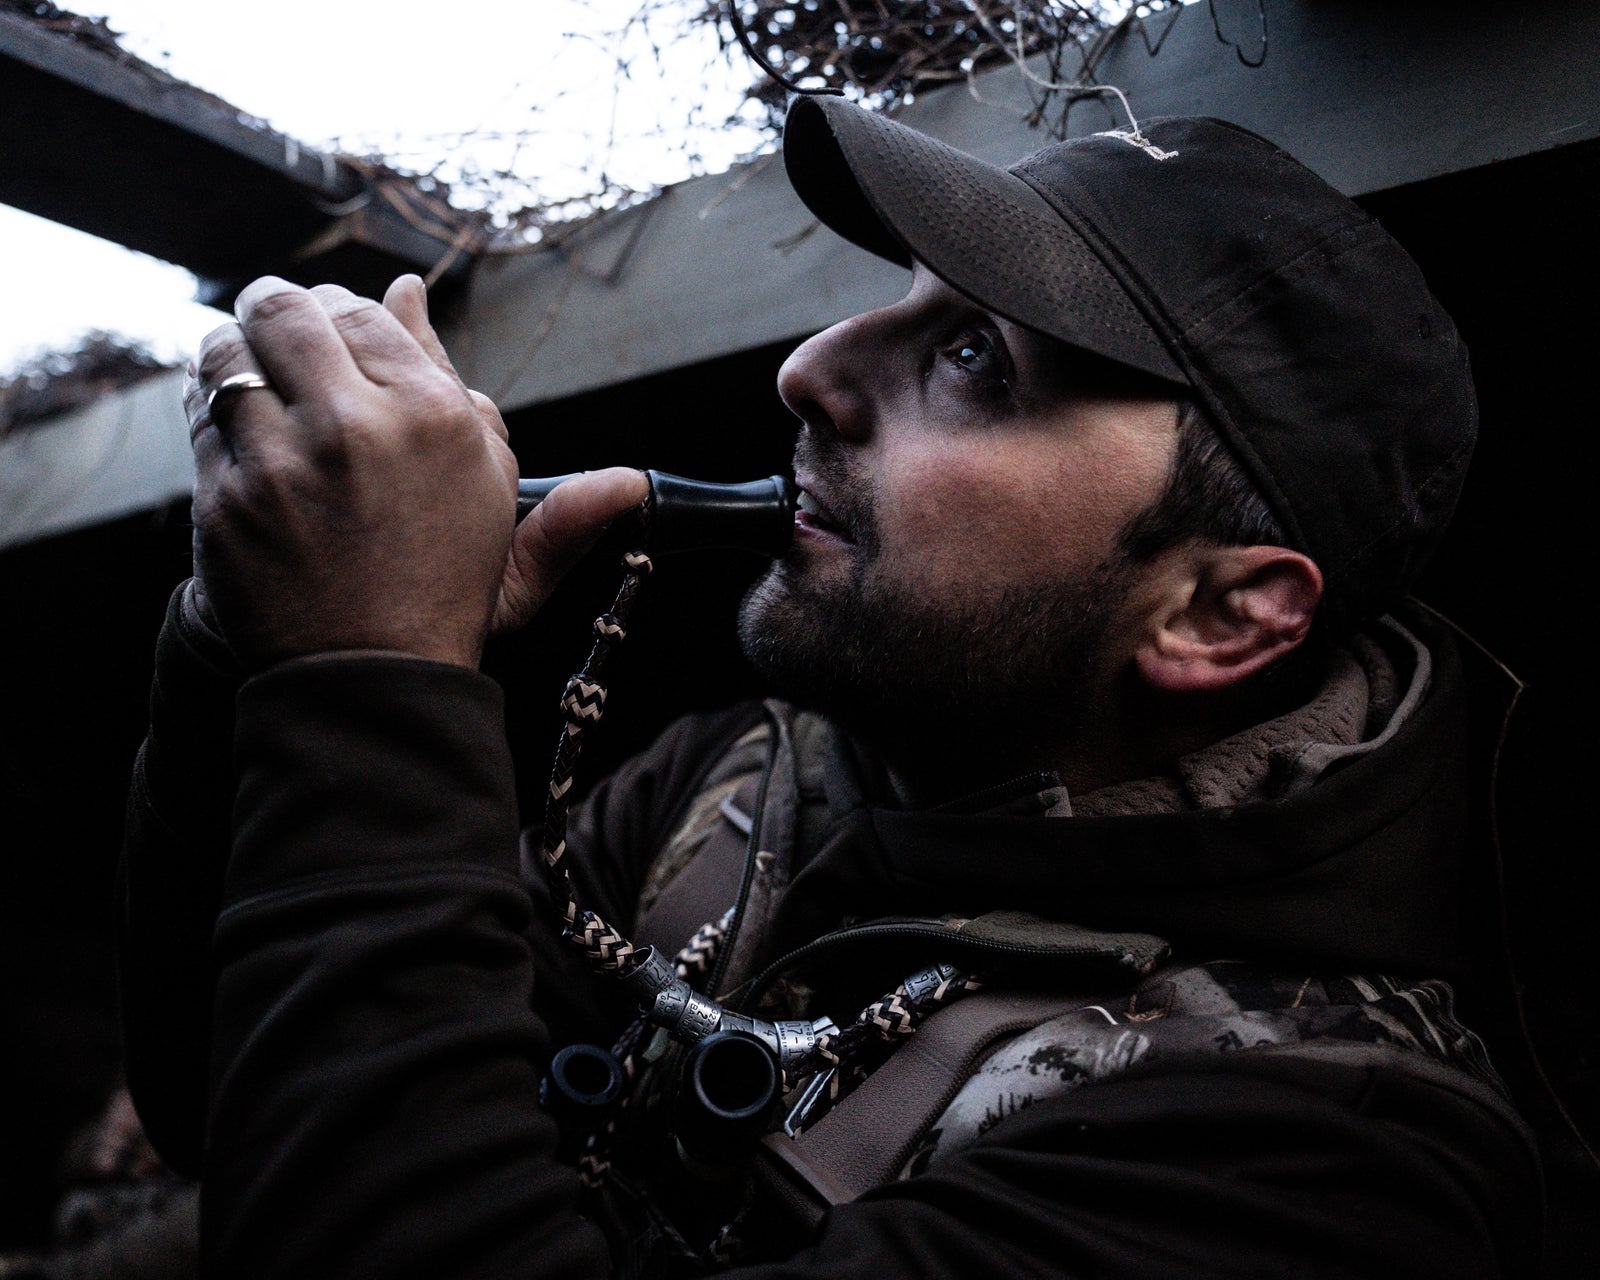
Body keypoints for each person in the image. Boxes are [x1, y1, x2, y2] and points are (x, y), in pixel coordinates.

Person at [117, 98, 1544, 1277]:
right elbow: (235, 1098)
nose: (809, 368)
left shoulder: (1319, 1160)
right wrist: (254, 641)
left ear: (1219, 615)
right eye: (901, 303)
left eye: (975, 358)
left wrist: (369, 682)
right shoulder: (746, 786)